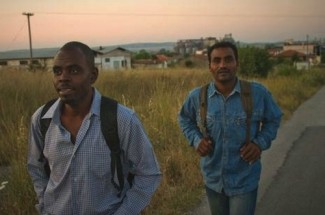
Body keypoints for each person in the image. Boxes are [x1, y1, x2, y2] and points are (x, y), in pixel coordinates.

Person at [27, 41, 162, 215]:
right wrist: (45, 205)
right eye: (57, 71)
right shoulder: (41, 119)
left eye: (74, 70)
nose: (63, 77)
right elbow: (35, 167)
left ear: (93, 75)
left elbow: (149, 173)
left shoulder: (121, 119)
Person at [178, 41, 282, 215]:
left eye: (228, 59)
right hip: (213, 180)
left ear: (237, 63)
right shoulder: (198, 96)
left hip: (245, 179)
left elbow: (274, 118)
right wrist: (197, 141)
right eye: (216, 61)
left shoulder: (257, 93)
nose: (222, 65)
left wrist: (259, 144)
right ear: (210, 66)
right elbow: (184, 119)